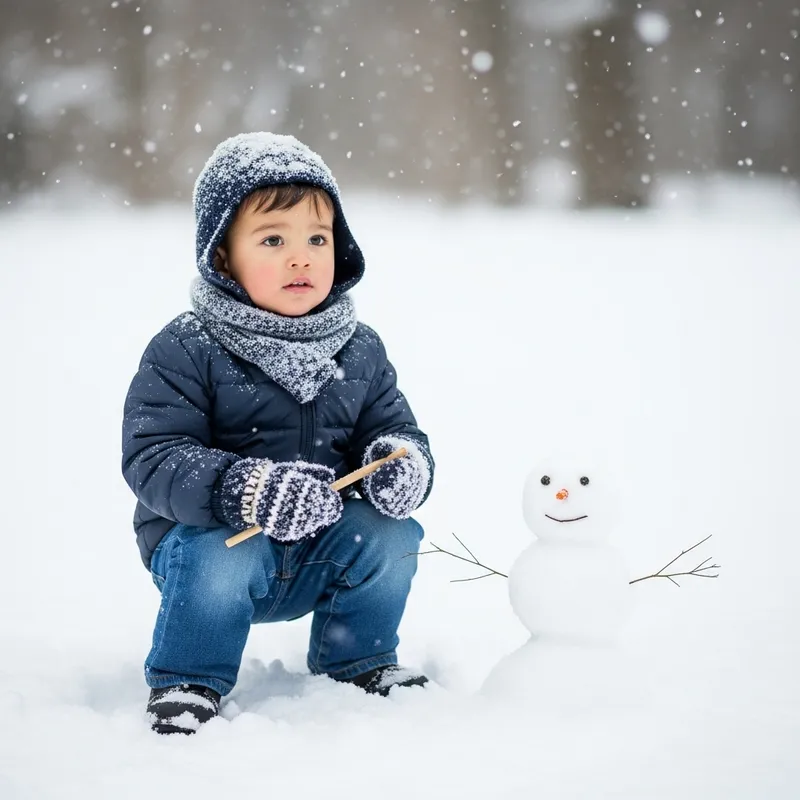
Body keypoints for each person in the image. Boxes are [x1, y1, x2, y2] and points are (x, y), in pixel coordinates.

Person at [121, 132, 434, 735]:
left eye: (318, 239)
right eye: (273, 240)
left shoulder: (359, 348)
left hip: (320, 545)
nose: (302, 257)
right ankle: (189, 680)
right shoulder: (187, 346)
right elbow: (153, 455)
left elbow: (396, 427)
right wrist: (245, 491)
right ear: (222, 257)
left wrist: (399, 461)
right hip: (214, 546)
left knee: (390, 534)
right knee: (216, 554)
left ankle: (358, 659)